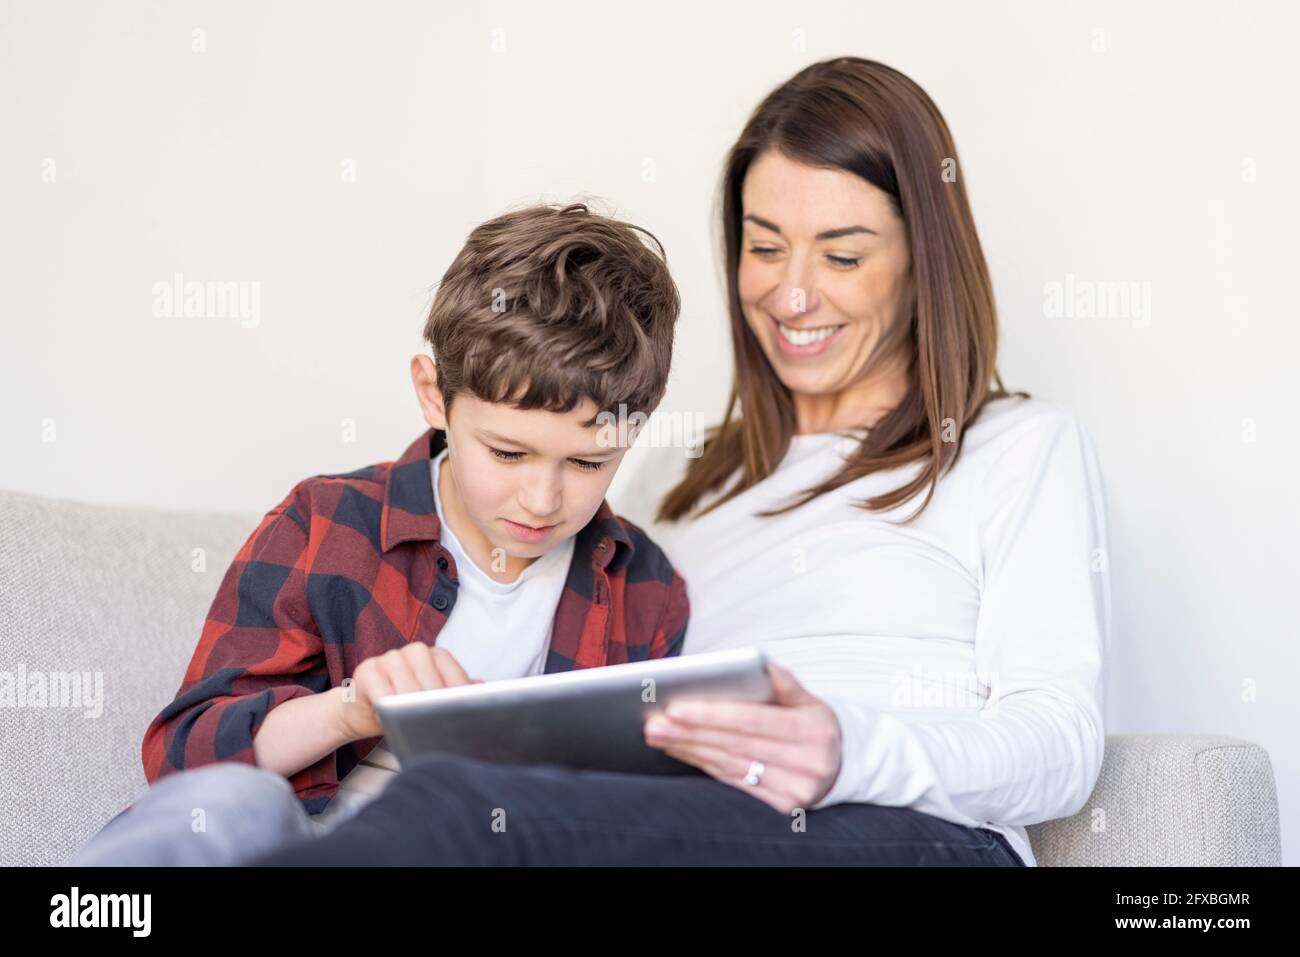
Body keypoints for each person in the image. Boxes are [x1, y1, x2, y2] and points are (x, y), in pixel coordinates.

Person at [248, 57, 1104, 868]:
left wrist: (848, 751)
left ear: (924, 263)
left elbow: (1061, 742)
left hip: (915, 837)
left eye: (842, 255)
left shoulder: (1017, 448)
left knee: (465, 814)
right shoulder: (672, 485)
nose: (792, 294)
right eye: (765, 247)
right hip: (689, 824)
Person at [66, 202, 691, 866]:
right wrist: (351, 709)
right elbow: (185, 756)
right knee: (237, 805)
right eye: (507, 453)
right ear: (433, 395)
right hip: (293, 843)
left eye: (589, 462)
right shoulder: (326, 523)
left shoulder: (644, 587)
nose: (542, 500)